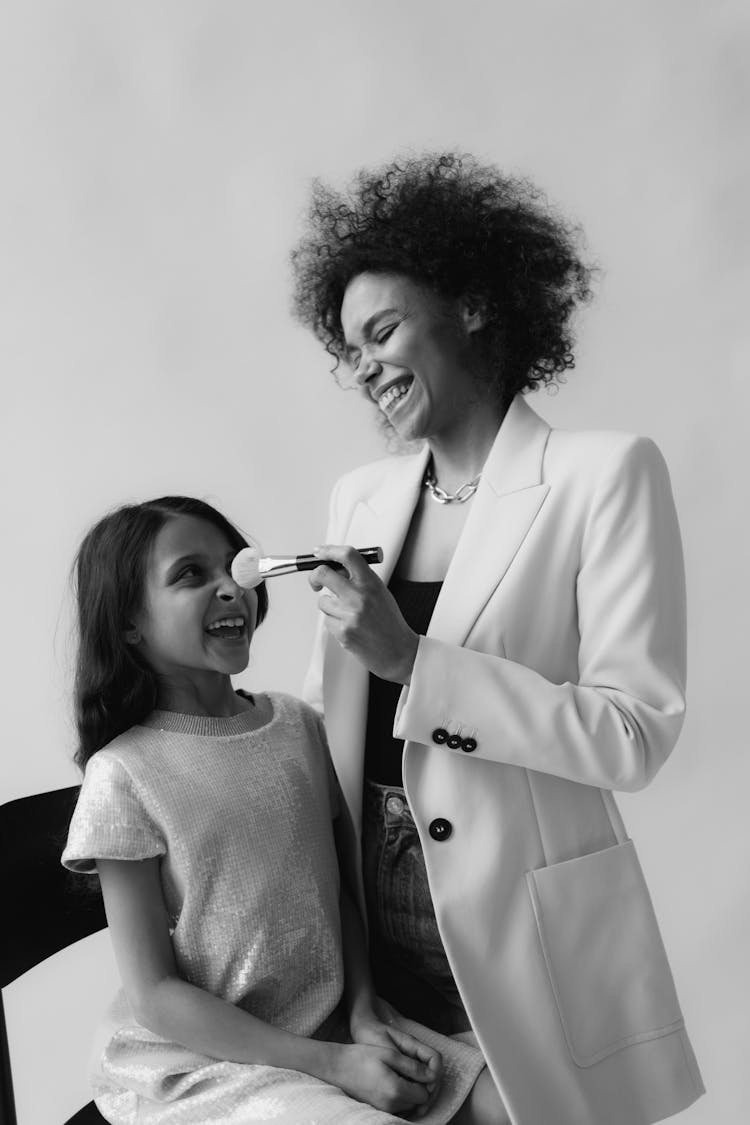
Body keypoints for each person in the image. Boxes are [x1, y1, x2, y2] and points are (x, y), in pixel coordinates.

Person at [292, 152, 705, 1125]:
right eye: (349, 351)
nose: (365, 370)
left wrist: (413, 666)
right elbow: (324, 724)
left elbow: (633, 732)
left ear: (474, 304)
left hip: (527, 945)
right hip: (373, 945)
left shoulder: (604, 477)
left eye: (382, 331)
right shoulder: (361, 497)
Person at [61, 495, 489, 1125]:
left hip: (334, 1028)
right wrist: (329, 1065)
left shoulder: (297, 726)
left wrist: (366, 1013)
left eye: (233, 567)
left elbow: (336, 893)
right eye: (190, 575)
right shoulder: (122, 774)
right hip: (208, 1064)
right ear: (129, 624)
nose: (230, 588)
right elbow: (154, 996)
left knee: (524, 1100)